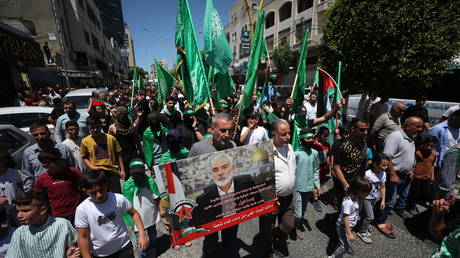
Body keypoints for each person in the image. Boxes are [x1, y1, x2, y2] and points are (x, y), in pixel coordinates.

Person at [188, 113, 238, 258]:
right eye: (223, 130)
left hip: (229, 203)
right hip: (209, 205)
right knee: (210, 241)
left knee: (230, 239)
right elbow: (188, 178)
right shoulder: (198, 148)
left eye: (229, 130)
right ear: (211, 129)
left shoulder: (233, 145)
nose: (227, 134)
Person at [75, 171, 148, 258]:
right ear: (85, 191)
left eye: (101, 190)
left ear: (106, 185)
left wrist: (142, 234)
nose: (99, 195)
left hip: (123, 246)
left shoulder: (118, 199)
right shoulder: (82, 209)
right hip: (100, 253)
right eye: (93, 193)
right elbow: (82, 237)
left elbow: (134, 213)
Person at [375, 116, 423, 238]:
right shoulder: (396, 136)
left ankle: (379, 217)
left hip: (403, 175)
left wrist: (409, 169)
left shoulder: (411, 137)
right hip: (394, 174)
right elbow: (387, 156)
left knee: (388, 200)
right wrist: (393, 174)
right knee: (389, 201)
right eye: (418, 126)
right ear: (407, 126)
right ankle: (380, 222)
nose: (420, 129)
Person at [259, 119, 296, 257]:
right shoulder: (263, 152)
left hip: (289, 196)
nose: (288, 137)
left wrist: (292, 185)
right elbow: (259, 179)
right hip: (271, 200)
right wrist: (270, 195)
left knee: (288, 225)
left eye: (289, 133)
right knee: (266, 230)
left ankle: (277, 238)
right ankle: (268, 250)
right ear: (273, 134)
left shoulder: (290, 147)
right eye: (283, 134)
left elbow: (292, 169)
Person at [6, 191, 80, 258]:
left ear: (42, 210)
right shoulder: (19, 233)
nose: (19, 215)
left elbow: (76, 248)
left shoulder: (62, 224)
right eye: (18, 211)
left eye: (25, 211)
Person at [122, 159, 162, 258]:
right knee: (139, 238)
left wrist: (161, 209)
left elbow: (157, 196)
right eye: (134, 174)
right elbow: (126, 205)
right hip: (136, 218)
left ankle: (153, 248)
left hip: (150, 213)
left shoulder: (149, 181)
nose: (137, 176)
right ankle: (142, 254)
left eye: (139, 173)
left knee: (152, 233)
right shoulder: (127, 185)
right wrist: (127, 219)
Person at [21, 122, 76, 192]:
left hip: (65, 188)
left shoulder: (63, 148)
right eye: (36, 135)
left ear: (49, 133)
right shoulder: (28, 152)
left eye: (43, 133)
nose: (40, 137)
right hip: (43, 192)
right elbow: (28, 176)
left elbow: (73, 168)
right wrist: (29, 193)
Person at [35, 149, 82, 224]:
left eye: (61, 160)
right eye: (56, 163)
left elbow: (84, 187)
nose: (61, 164)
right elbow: (41, 199)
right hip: (58, 216)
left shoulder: (72, 172)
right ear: (45, 165)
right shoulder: (41, 180)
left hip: (77, 211)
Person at [329, 177, 372, 258]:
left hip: (348, 226)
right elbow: (345, 218)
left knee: (342, 242)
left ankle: (338, 255)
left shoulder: (356, 197)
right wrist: (349, 233)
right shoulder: (348, 202)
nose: (368, 194)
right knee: (345, 247)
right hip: (343, 226)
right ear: (358, 190)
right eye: (366, 192)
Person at [80, 117, 126, 193]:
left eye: (97, 127)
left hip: (112, 171)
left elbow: (119, 154)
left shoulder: (110, 138)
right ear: (88, 128)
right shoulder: (85, 141)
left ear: (100, 126)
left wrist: (122, 170)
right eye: (92, 128)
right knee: (102, 194)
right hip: (97, 173)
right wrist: (91, 166)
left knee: (116, 194)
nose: (95, 130)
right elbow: (84, 157)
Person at [332, 119, 369, 210]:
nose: (365, 132)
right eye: (362, 130)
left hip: (357, 184)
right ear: (353, 129)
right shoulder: (341, 145)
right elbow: (336, 167)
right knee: (343, 210)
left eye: (367, 129)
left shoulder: (363, 143)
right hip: (344, 183)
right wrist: (346, 186)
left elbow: (363, 163)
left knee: (353, 210)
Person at [429, 143, 460, 240]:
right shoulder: (456, 153)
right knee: (442, 229)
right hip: (452, 199)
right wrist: (446, 199)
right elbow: (447, 181)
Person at [356, 153, 389, 244]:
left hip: (374, 199)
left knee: (364, 215)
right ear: (375, 164)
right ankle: (362, 232)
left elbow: (383, 187)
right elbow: (361, 186)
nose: (386, 167)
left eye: (387, 165)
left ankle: (362, 227)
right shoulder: (368, 174)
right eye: (383, 165)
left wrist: (383, 200)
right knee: (370, 217)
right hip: (366, 198)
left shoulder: (383, 174)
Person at [292, 129, 320, 234]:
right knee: (298, 213)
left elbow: (316, 169)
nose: (311, 140)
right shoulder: (296, 153)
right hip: (297, 187)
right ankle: (291, 226)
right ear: (302, 139)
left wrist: (317, 184)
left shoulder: (315, 153)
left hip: (309, 187)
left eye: (312, 138)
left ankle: (296, 225)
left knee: (303, 209)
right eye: (308, 138)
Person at [405, 135, 437, 214]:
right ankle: (409, 206)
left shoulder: (433, 155)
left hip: (427, 177)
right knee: (414, 193)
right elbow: (413, 163)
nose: (429, 148)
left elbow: (432, 165)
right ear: (424, 144)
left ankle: (415, 204)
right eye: (428, 145)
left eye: (432, 146)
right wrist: (412, 172)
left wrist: (432, 176)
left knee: (425, 192)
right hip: (417, 176)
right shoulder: (418, 153)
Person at [108, 106, 143, 179]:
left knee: (136, 174)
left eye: (123, 115)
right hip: (121, 155)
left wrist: (140, 151)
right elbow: (110, 143)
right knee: (126, 176)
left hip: (133, 153)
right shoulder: (112, 127)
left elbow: (136, 140)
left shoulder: (131, 126)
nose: (122, 117)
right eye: (120, 115)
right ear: (117, 116)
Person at [0, 147, 22, 227]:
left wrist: (21, 198)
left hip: (17, 209)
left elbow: (24, 188)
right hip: (2, 215)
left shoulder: (15, 173)